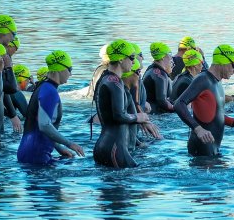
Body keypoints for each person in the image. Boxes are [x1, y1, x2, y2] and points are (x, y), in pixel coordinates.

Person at [173, 44, 234, 157]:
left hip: (212, 149)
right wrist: (198, 129)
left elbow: (213, 114)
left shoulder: (217, 82)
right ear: (222, 61)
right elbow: (178, 104)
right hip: (201, 149)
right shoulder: (202, 80)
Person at [17, 50, 85, 165]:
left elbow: (38, 124)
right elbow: (44, 125)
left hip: (29, 151)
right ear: (61, 69)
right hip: (36, 154)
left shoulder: (43, 86)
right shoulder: (49, 91)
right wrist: (70, 144)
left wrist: (59, 147)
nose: (70, 74)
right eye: (70, 69)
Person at [93, 39, 150, 168]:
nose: (134, 62)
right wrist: (138, 117)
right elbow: (119, 115)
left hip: (106, 146)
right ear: (120, 60)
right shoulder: (115, 82)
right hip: (114, 149)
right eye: (131, 58)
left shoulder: (106, 78)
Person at [143, 42, 175, 114]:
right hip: (156, 116)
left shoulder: (151, 69)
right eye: (170, 54)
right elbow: (162, 101)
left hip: (151, 112)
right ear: (163, 57)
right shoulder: (160, 75)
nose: (171, 57)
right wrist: (176, 109)